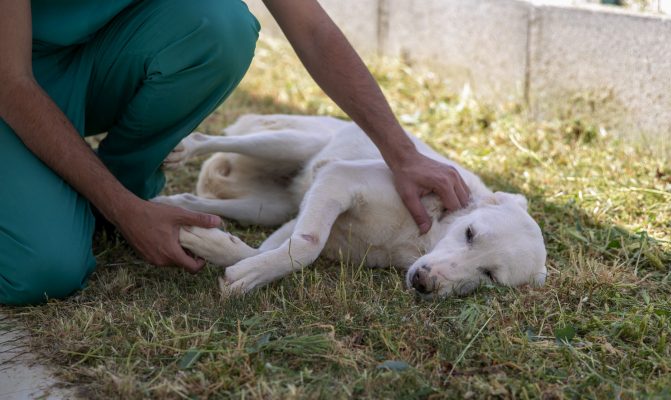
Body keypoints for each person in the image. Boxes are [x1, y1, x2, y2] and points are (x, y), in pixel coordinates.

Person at [0, 0, 470, 305]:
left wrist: (401, 152)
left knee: (218, 25)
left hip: (89, 57)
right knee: (43, 272)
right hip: (9, 76)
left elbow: (311, 29)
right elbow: (11, 83)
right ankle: (108, 203)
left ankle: (121, 186)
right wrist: (123, 211)